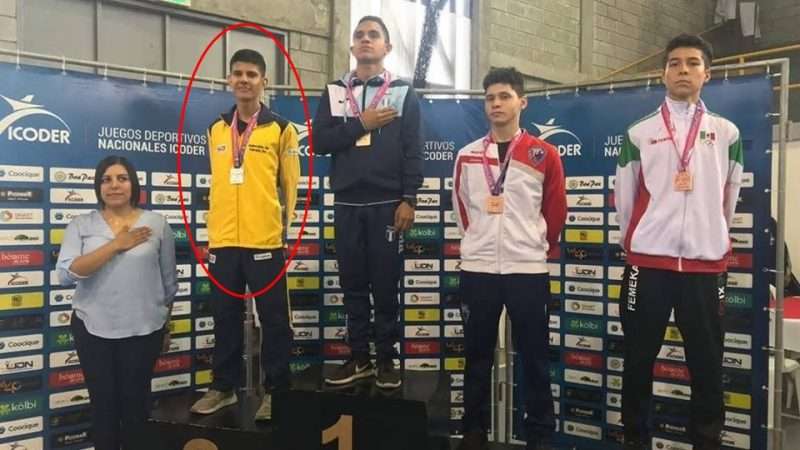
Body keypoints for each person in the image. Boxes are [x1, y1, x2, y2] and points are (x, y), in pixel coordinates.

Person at [614, 34, 743, 450]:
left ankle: (706, 440)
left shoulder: (726, 132)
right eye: (674, 63)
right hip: (648, 266)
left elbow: (729, 197)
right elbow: (625, 198)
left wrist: (711, 235)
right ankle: (635, 439)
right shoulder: (639, 132)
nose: (683, 70)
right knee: (637, 359)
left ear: (708, 73)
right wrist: (640, 241)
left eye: (692, 63)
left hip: (705, 269)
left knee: (707, 363)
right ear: (663, 73)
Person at [453, 67, 566, 450]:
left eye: (504, 96)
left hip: (527, 270)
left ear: (522, 102)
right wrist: (478, 243)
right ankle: (473, 431)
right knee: (476, 356)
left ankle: (540, 435)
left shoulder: (543, 154)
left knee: (535, 357)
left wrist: (533, 245)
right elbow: (462, 210)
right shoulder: (467, 155)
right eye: (490, 98)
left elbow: (555, 213)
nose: (496, 104)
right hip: (478, 270)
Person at [189, 49, 300, 420]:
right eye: (237, 73)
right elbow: (220, 183)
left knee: (274, 320)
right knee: (224, 317)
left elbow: (290, 185)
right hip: (223, 242)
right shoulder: (216, 129)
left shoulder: (281, 129)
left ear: (264, 81)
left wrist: (282, 231)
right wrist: (214, 232)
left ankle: (277, 391)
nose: (244, 80)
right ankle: (223, 387)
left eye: (251, 74)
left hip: (264, 240)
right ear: (228, 80)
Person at [313, 15, 422, 389]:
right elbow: (320, 142)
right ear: (351, 46)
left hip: (387, 204)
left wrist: (409, 198)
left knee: (386, 286)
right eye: (359, 35)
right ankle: (359, 358)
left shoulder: (403, 92)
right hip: (347, 204)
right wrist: (363, 123)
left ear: (386, 47)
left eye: (373, 35)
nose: (365, 39)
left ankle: (387, 360)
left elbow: (413, 150)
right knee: (353, 286)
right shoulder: (334, 91)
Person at [56, 156, 177, 450]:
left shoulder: (157, 224)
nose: (114, 185)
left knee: (136, 409)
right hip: (93, 330)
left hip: (144, 331)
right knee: (104, 410)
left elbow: (168, 283)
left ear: (132, 184)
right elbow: (65, 275)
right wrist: (115, 245)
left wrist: (165, 325)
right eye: (106, 179)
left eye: (122, 178)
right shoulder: (81, 225)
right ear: (98, 187)